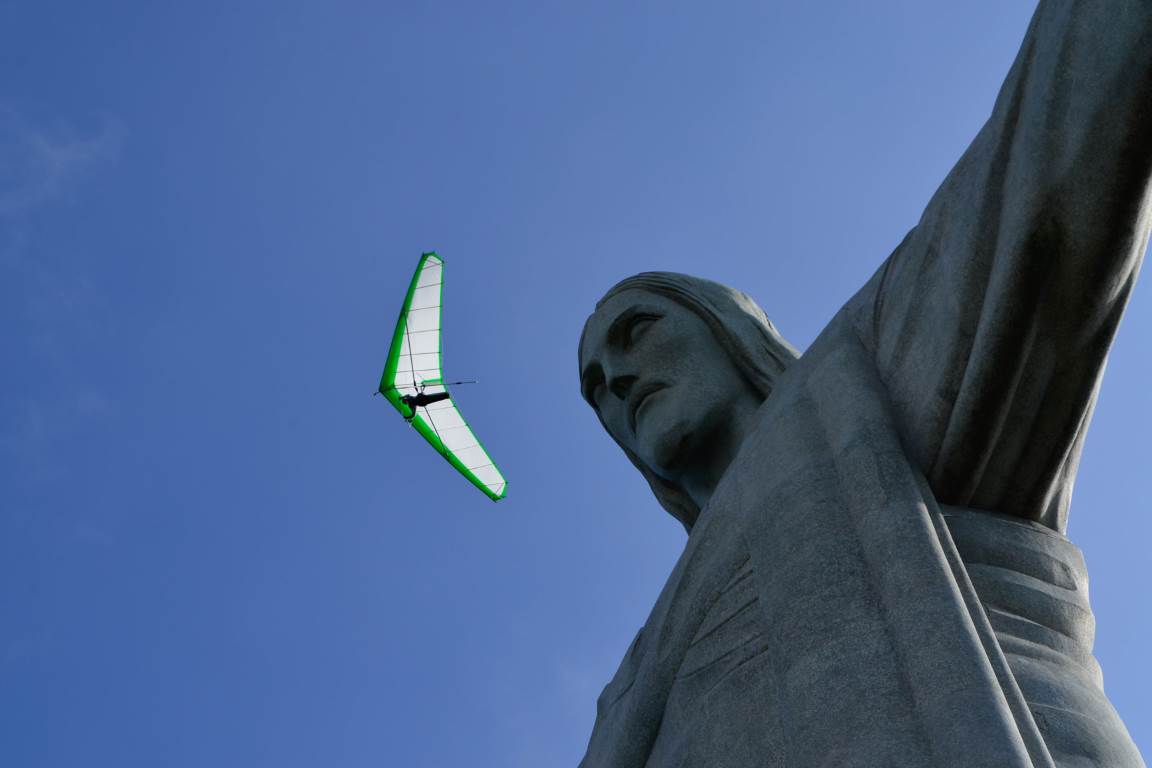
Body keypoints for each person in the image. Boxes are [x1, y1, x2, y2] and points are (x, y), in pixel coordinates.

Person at [577, 2, 1151, 766]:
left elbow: (1045, 171)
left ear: (727, 329)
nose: (615, 377)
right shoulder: (632, 684)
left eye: (636, 330)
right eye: (594, 387)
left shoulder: (872, 374)